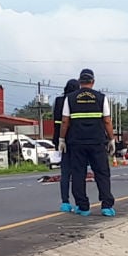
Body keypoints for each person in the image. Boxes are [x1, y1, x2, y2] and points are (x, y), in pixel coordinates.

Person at [59, 68, 116, 217]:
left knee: (78, 173)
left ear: (80, 82)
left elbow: (65, 121)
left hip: (76, 142)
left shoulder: (70, 98)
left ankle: (83, 207)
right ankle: (106, 206)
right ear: (93, 82)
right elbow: (107, 120)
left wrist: (61, 139)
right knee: (102, 173)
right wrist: (111, 139)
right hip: (97, 142)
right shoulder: (101, 98)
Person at [52, 79, 80, 212]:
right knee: (78, 173)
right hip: (76, 140)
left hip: (62, 140)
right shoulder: (75, 100)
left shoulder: (58, 101)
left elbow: (57, 122)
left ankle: (65, 202)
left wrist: (58, 140)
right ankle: (79, 202)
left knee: (65, 173)